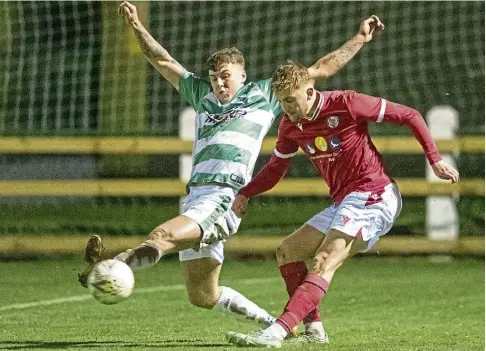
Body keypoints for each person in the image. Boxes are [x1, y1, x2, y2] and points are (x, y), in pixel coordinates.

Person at [78, 1, 385, 328]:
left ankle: (117, 263)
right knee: (202, 295)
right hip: (196, 197)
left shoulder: (265, 94)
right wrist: (138, 28)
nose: (219, 84)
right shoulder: (202, 96)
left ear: (242, 75)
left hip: (223, 198)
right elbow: (162, 59)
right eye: (214, 78)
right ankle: (273, 324)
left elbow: (322, 68)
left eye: (225, 77)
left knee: (163, 235)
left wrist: (360, 38)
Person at [226, 61, 459, 347]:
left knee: (324, 260)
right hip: (345, 202)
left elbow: (409, 115)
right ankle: (314, 332)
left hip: (375, 194)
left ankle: (276, 332)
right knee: (288, 251)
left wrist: (434, 159)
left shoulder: (347, 103)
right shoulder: (290, 126)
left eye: (290, 100)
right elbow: (275, 169)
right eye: (281, 102)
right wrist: (246, 192)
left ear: (309, 92)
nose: (286, 108)